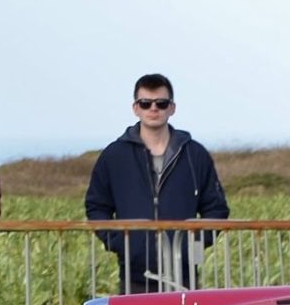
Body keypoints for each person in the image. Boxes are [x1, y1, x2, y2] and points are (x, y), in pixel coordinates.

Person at [85, 73, 230, 293]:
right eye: (146, 103)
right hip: (133, 274)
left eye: (161, 103)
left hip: (184, 275)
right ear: (136, 108)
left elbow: (216, 208)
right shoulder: (114, 156)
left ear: (172, 108)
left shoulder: (195, 154)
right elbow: (96, 207)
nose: (153, 109)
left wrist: (194, 245)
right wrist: (120, 244)